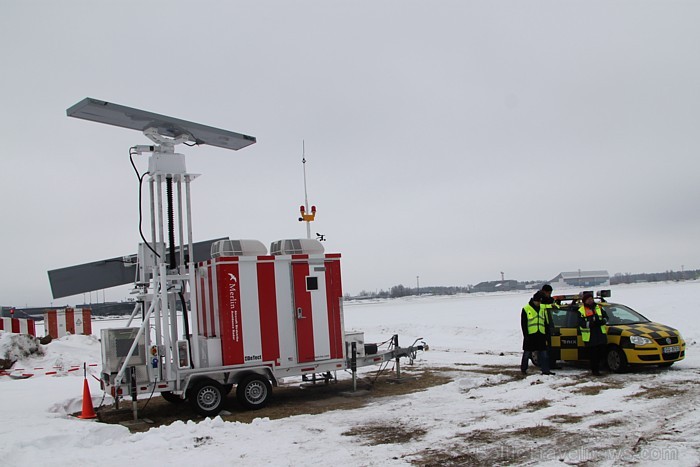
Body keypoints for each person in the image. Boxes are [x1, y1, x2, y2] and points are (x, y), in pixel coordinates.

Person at [520, 291, 554, 375]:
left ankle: (545, 370)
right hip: (530, 335)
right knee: (527, 353)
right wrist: (526, 335)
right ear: (534, 300)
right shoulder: (526, 308)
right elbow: (523, 324)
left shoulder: (543, 308)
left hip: (541, 334)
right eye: (538, 301)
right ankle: (524, 369)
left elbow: (545, 322)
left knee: (544, 354)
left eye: (540, 301)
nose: (539, 303)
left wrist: (547, 334)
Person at [578, 291, 608, 376]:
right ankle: (595, 371)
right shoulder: (581, 310)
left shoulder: (599, 307)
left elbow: (606, 317)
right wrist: (591, 324)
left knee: (602, 353)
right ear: (584, 301)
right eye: (588, 299)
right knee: (593, 355)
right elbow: (582, 323)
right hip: (590, 336)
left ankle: (602, 367)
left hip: (601, 335)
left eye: (591, 299)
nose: (590, 300)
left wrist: (602, 321)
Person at [540, 284, 561, 369]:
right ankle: (545, 365)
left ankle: (552, 364)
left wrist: (557, 304)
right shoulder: (539, 299)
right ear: (544, 292)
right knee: (543, 348)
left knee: (551, 347)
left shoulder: (551, 300)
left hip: (550, 325)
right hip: (541, 325)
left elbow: (556, 311)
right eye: (548, 292)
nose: (549, 294)